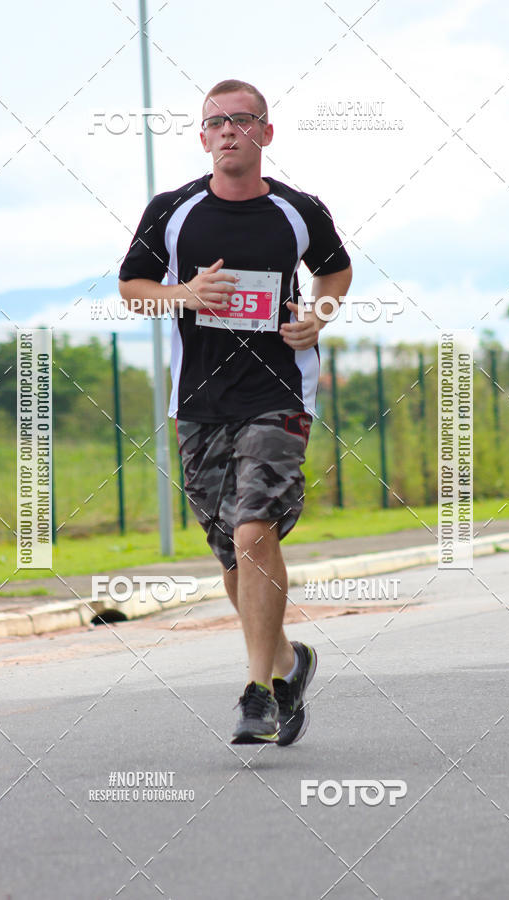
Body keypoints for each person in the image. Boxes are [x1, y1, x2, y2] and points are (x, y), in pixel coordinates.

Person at [119, 78, 352, 745]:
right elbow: (133, 291)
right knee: (231, 555)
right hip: (198, 403)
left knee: (254, 532)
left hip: (277, 395)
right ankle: (286, 662)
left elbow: (334, 271)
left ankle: (258, 695)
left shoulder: (298, 212)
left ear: (265, 134)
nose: (228, 131)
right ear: (202, 137)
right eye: (216, 122)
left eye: (243, 120)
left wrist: (319, 316)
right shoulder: (174, 211)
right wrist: (184, 292)